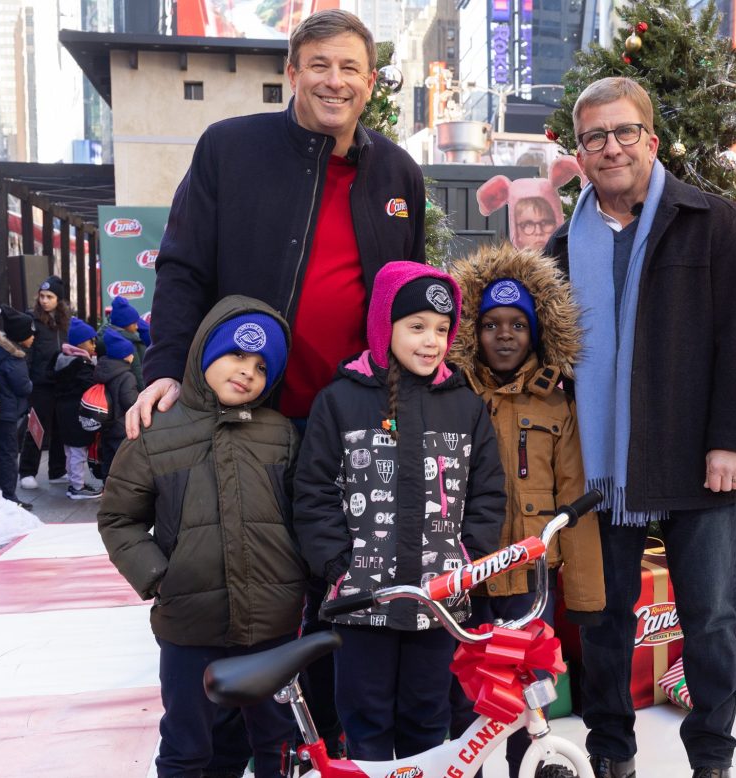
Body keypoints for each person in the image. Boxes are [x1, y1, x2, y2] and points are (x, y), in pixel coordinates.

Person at [127, 12, 428, 746]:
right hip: (245, 424)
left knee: (339, 595)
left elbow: (407, 296)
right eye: (319, 64)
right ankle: (220, 753)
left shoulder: (398, 175)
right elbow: (183, 267)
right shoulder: (230, 149)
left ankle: (317, 748)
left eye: (350, 68)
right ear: (291, 74)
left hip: (348, 427)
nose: (335, 80)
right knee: (240, 600)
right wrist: (166, 370)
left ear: (370, 83)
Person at [544, 77, 736, 778]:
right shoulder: (560, 246)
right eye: (593, 137)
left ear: (651, 139)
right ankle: (611, 752)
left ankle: (711, 757)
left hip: (696, 454)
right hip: (601, 466)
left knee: (708, 619)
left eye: (623, 132)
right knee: (601, 619)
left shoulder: (713, 220)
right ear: (579, 152)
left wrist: (733, 440)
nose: (610, 148)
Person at [292, 261, 506, 761]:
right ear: (383, 325)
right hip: (361, 603)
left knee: (428, 717)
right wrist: (337, 566)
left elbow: (487, 493)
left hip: (438, 604)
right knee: (365, 719)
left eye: (441, 329)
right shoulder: (341, 401)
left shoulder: (464, 406)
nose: (431, 341)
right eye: (416, 327)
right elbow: (314, 491)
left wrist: (468, 559)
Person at [97, 296, 307, 778]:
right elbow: (118, 518)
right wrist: (159, 577)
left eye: (261, 366)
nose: (247, 372)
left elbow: (305, 512)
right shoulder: (156, 434)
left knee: (277, 743)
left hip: (271, 627)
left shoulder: (280, 436)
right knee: (189, 746)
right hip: (190, 628)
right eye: (236, 355)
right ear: (205, 352)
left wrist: (300, 571)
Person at [446, 244, 605, 778]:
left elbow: (573, 501)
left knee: (525, 695)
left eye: (518, 324)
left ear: (536, 330)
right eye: (492, 324)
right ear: (474, 331)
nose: (506, 335)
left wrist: (584, 595)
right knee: (466, 691)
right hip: (469, 578)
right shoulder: (457, 400)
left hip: (530, 578)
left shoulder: (556, 405)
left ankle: (525, 767)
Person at [18, 276, 69, 490]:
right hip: (39, 383)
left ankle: (57, 470)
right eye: (42, 296)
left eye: (50, 297)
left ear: (59, 299)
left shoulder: (65, 320)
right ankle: (27, 472)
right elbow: (26, 354)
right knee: (36, 428)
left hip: (61, 382)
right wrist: (27, 382)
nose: (45, 300)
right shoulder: (32, 320)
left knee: (60, 427)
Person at [0, 306, 36, 510]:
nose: (33, 337)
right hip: (6, 412)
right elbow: (24, 387)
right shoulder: (13, 358)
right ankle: (9, 497)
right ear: (19, 336)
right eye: (30, 333)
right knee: (8, 453)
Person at [54, 318, 103, 501]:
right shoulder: (80, 364)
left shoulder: (64, 359)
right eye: (92, 341)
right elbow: (89, 385)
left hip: (63, 411)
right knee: (78, 450)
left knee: (70, 450)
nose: (94, 344)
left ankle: (75, 484)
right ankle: (77, 487)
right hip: (74, 412)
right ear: (82, 343)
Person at [94, 329, 140, 482]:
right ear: (124, 356)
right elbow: (130, 401)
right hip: (122, 425)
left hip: (107, 424)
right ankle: (121, 490)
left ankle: (107, 485)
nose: (133, 356)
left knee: (108, 458)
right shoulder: (126, 376)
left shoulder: (103, 370)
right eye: (131, 353)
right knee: (124, 460)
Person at [97, 296, 147, 391]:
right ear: (124, 324)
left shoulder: (104, 338)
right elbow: (137, 373)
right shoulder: (128, 344)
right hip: (132, 392)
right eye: (134, 324)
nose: (137, 327)